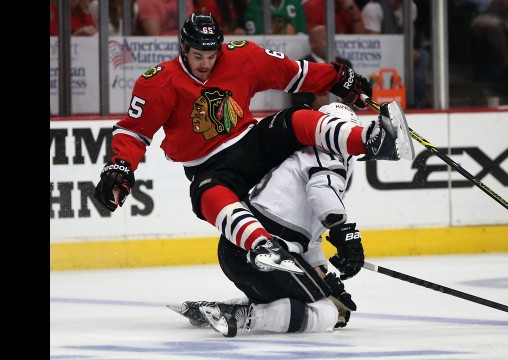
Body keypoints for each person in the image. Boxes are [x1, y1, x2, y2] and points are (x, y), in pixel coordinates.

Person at [93, 12, 414, 326]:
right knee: (206, 194)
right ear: (183, 49)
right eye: (197, 56)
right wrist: (120, 167)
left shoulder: (240, 57)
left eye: (210, 55)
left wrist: (336, 78)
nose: (205, 63)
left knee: (297, 118)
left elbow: (295, 74)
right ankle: (262, 245)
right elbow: (134, 131)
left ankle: (371, 143)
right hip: (211, 166)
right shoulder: (159, 81)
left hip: (251, 144)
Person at [169, 103, 366, 337]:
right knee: (326, 312)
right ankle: (240, 317)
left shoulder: (300, 154)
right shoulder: (325, 153)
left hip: (240, 247)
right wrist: (344, 233)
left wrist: (323, 280)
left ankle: (215, 310)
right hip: (271, 253)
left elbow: (309, 236)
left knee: (288, 298)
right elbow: (321, 190)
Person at [360, 0, 430, 107]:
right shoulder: (374, 8)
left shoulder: (410, 6)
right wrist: (399, 53)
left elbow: (410, 36)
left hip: (399, 51)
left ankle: (414, 102)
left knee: (423, 55)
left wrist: (406, 49)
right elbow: (374, 45)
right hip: (377, 57)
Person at [291, 24, 354, 110]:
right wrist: (313, 104)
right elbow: (298, 101)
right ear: (312, 43)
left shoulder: (345, 65)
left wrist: (337, 101)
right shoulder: (301, 67)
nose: (329, 43)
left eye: (331, 39)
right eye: (325, 39)